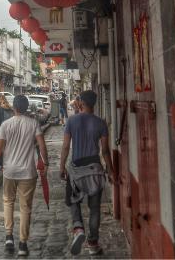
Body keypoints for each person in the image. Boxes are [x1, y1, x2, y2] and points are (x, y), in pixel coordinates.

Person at [0, 94, 49, 258]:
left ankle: (8, 237)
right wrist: (46, 163)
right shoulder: (33, 123)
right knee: (25, 207)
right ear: (27, 108)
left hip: (9, 171)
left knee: (8, 202)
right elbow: (42, 145)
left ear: (14, 107)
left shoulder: (6, 125)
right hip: (28, 172)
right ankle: (22, 244)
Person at [59, 90, 115, 257]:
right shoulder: (101, 123)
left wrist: (62, 166)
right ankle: (93, 243)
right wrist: (110, 170)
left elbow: (65, 146)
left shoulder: (72, 121)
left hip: (77, 169)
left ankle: (78, 228)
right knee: (95, 208)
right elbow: (105, 151)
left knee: (73, 199)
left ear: (81, 103)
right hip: (95, 169)